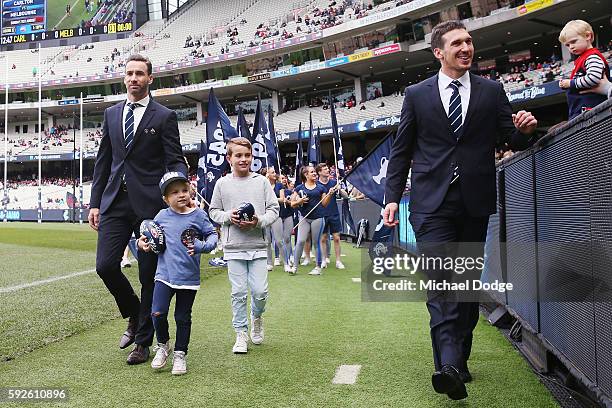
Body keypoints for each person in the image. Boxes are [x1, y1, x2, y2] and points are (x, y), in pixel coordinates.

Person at [383, 21, 537, 400]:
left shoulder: (492, 90)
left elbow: (510, 136)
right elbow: (402, 150)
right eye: (457, 43)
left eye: (469, 41)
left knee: (464, 287)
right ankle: (448, 366)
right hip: (429, 205)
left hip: (474, 203)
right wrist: (390, 197)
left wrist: (525, 129)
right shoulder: (417, 95)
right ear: (439, 51)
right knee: (441, 284)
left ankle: (458, 361)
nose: (466, 48)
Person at [89, 54, 187, 365]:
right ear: (124, 78)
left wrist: (178, 195)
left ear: (150, 79)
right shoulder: (111, 113)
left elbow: (174, 161)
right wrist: (94, 202)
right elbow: (104, 161)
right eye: (129, 73)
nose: (133, 78)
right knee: (105, 266)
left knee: (147, 275)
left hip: (151, 207)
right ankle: (133, 313)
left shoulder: (164, 116)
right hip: (114, 202)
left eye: (139, 74)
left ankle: (143, 343)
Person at [137, 172, 217, 375]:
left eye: (184, 190)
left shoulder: (199, 215)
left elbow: (213, 236)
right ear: (165, 199)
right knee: (157, 313)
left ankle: (180, 353)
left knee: (182, 317)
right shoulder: (161, 216)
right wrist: (142, 244)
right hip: (164, 275)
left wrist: (202, 246)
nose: (181, 195)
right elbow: (149, 238)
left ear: (190, 190)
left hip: (188, 278)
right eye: (174, 192)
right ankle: (163, 345)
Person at [209, 137, 279, 354]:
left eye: (247, 155)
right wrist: (229, 216)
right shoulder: (222, 184)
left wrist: (258, 220)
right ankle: (240, 333)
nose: (244, 159)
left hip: (258, 245)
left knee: (260, 292)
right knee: (238, 292)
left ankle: (257, 316)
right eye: (238, 155)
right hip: (233, 248)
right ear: (229, 158)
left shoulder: (261, 182)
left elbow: (274, 210)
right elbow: (213, 212)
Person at [557, 20, 610, 119]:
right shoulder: (583, 57)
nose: (571, 47)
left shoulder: (592, 56)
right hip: (583, 111)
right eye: (567, 45)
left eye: (573, 42)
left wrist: (570, 83)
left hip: (592, 111)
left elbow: (594, 78)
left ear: (587, 36)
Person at [290, 166, 337, 275]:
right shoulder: (299, 188)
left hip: (318, 218)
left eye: (315, 172)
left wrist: (330, 194)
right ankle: (295, 266)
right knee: (300, 241)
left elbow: (324, 204)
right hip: (304, 218)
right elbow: (292, 204)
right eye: (312, 172)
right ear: (306, 175)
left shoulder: (321, 188)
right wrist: (299, 201)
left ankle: (318, 267)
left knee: (316, 242)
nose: (315, 174)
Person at [316, 163, 347, 269]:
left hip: (334, 213)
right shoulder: (316, 185)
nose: (327, 170)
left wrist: (339, 189)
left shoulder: (334, 182)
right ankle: (324, 259)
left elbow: (346, 196)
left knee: (337, 238)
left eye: (327, 169)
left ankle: (338, 261)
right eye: (324, 169)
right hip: (322, 214)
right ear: (319, 172)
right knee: (323, 238)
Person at [265, 168, 292, 273]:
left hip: (276, 215)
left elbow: (282, 199)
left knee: (279, 240)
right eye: (271, 172)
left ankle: (286, 263)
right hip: (265, 215)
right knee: (267, 241)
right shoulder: (263, 185)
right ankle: (269, 263)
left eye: (274, 172)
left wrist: (271, 199)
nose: (274, 174)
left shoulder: (279, 185)